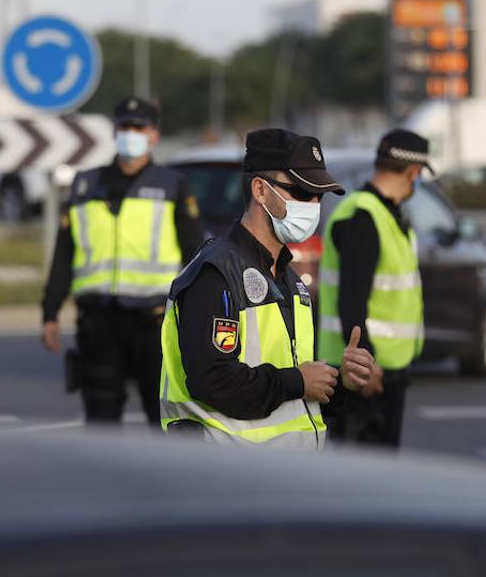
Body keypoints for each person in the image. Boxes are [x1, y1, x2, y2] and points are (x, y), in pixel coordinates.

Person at [158, 129, 375, 448]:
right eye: (302, 192)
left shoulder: (293, 283)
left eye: (320, 196)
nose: (314, 205)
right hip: (225, 476)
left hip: (281, 477)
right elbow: (214, 382)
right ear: (260, 189)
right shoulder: (215, 274)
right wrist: (298, 381)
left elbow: (296, 394)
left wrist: (340, 380)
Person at [40, 96, 205, 426]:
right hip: (99, 322)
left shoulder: (172, 186)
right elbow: (64, 252)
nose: (130, 133)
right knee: (100, 422)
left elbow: (193, 256)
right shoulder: (86, 184)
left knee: (163, 420)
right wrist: (50, 311)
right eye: (124, 127)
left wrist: (196, 315)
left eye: (138, 128)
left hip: (153, 321)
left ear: (153, 135)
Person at [315, 130, 430, 448]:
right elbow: (351, 300)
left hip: (382, 371)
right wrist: (366, 366)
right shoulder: (363, 218)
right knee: (362, 483)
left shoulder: (386, 215)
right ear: (413, 171)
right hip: (362, 377)